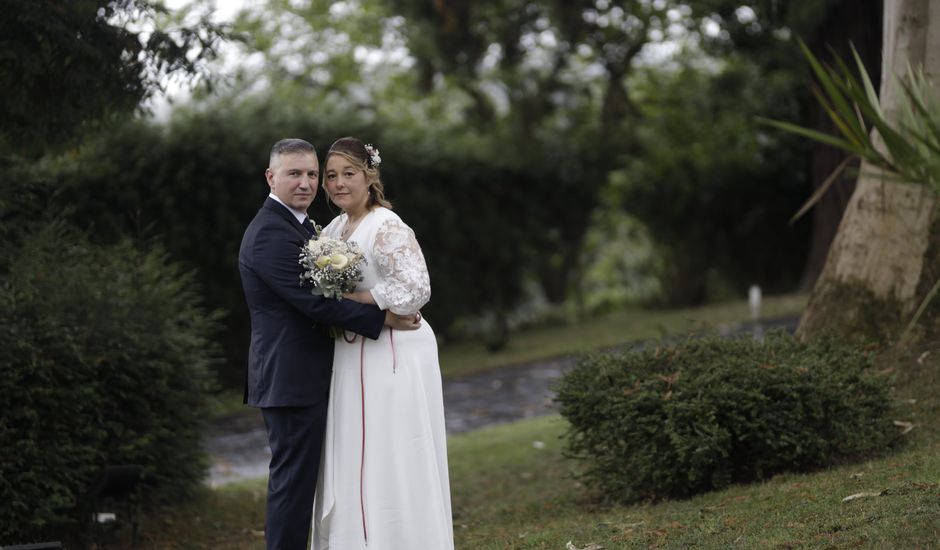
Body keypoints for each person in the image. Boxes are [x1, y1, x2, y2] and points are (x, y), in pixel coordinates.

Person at [238, 138, 420, 550]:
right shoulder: (269, 234)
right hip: (291, 379)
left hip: (311, 375)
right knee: (293, 487)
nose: (305, 183)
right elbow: (313, 303)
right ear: (271, 177)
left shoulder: (304, 227)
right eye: (293, 174)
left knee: (308, 485)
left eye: (311, 174)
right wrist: (384, 317)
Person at [312, 137, 454, 549]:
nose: (338, 183)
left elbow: (415, 289)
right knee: (358, 450)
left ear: (369, 176)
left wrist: (360, 300)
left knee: (393, 448)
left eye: (348, 174)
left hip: (395, 352)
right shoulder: (336, 229)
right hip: (353, 352)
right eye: (331, 176)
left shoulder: (387, 225)